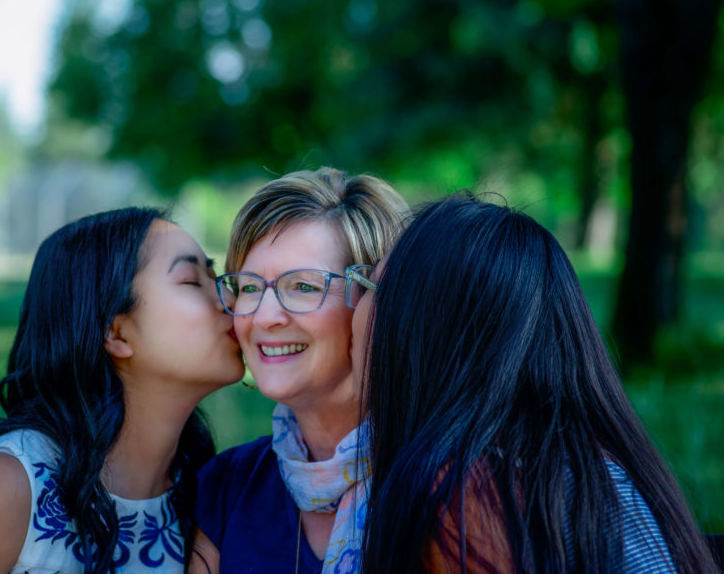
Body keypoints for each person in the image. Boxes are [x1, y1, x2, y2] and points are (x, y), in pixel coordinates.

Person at [353, 193, 720, 572]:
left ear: (421, 328)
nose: (354, 306)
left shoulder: (468, 489)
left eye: (369, 285)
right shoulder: (580, 465)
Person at [0, 207, 245, 574]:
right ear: (115, 333)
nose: (232, 301)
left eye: (217, 277)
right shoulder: (12, 483)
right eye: (192, 281)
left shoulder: (206, 488)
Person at [191, 167, 408, 574]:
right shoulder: (227, 486)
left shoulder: (449, 484)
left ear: (375, 302)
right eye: (250, 287)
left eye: (304, 287)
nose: (265, 317)